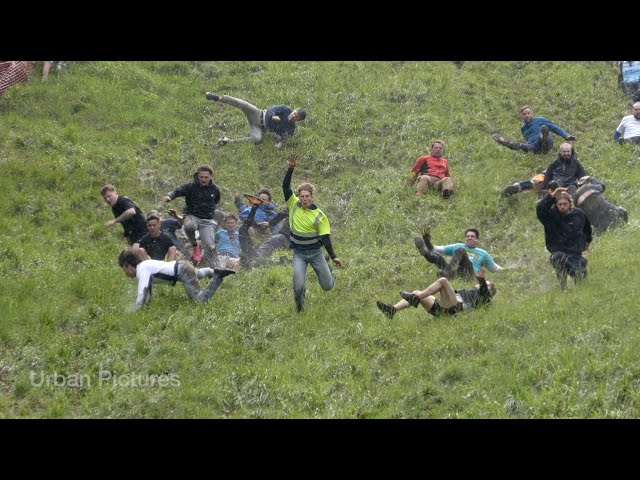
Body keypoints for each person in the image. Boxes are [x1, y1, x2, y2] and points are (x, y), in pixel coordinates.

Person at [282, 153, 343, 312]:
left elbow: (325, 239)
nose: (304, 199)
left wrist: (334, 256)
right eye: (301, 196)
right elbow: (285, 187)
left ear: (312, 198)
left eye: (307, 196)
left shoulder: (320, 216)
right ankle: (300, 309)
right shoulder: (293, 204)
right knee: (299, 284)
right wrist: (291, 168)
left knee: (327, 286)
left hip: (316, 253)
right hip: (299, 254)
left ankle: (328, 270)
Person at [118, 249, 235, 312]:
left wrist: (133, 310)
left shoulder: (141, 269)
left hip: (181, 271)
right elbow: (146, 294)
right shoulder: (145, 266)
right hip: (182, 265)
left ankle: (217, 276)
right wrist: (145, 306)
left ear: (129, 266)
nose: (126, 274)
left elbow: (142, 293)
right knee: (197, 274)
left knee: (200, 301)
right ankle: (212, 271)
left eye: (125, 270)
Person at [162, 166, 221, 267]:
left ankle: (214, 267)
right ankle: (194, 245)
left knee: (209, 245)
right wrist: (169, 196)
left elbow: (216, 201)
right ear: (198, 176)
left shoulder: (215, 190)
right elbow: (177, 191)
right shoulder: (190, 187)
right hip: (192, 216)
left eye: (206, 177)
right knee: (189, 226)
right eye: (201, 177)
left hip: (207, 220)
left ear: (211, 177)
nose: (203, 179)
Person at [536, 187, 593, 289]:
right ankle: (564, 288)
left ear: (570, 204)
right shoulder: (551, 217)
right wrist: (552, 195)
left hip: (576, 255)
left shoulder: (579, 214)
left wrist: (587, 243)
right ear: (556, 205)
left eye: (565, 204)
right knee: (557, 257)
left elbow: (587, 229)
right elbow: (540, 209)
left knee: (581, 278)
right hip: (559, 252)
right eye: (560, 204)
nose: (562, 206)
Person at [205, 92, 306, 149]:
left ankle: (228, 141)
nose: (293, 116)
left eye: (296, 117)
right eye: (294, 113)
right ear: (293, 110)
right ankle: (218, 98)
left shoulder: (290, 129)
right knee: (243, 104)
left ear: (298, 120)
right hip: (258, 113)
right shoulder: (285, 109)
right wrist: (272, 117)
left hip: (259, 127)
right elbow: (272, 110)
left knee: (257, 139)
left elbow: (284, 138)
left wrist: (280, 144)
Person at [376, 273, 496, 320]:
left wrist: (482, 279)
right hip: (441, 308)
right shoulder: (470, 292)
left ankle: (416, 298)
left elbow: (485, 290)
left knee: (443, 280)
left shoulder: (485, 298)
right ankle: (392, 310)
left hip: (454, 308)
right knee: (417, 291)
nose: (485, 285)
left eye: (487, 285)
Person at [414, 227, 502, 280]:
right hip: (454, 273)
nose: (469, 238)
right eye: (467, 236)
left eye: (472, 236)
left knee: (461, 250)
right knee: (437, 257)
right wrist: (427, 241)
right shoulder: (457, 245)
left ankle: (446, 272)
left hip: (468, 275)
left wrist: (511, 270)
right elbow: (435, 249)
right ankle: (425, 252)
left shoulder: (483, 253)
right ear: (465, 239)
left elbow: (496, 269)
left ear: (476, 239)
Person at [492, 105, 576, 154]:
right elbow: (527, 139)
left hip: (547, 143)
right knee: (521, 145)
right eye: (524, 114)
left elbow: (555, 128)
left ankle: (543, 138)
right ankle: (507, 143)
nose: (527, 115)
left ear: (532, 113)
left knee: (543, 131)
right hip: (535, 147)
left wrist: (566, 136)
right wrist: (526, 147)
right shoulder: (523, 128)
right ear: (522, 116)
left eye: (528, 113)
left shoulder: (540, 120)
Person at [101, 184, 148, 256]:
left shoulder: (123, 200)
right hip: (134, 235)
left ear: (115, 193)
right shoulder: (114, 208)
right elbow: (126, 224)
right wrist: (128, 237)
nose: (107, 199)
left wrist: (114, 221)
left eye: (109, 196)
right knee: (135, 258)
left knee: (137, 255)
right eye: (105, 198)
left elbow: (131, 211)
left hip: (143, 232)